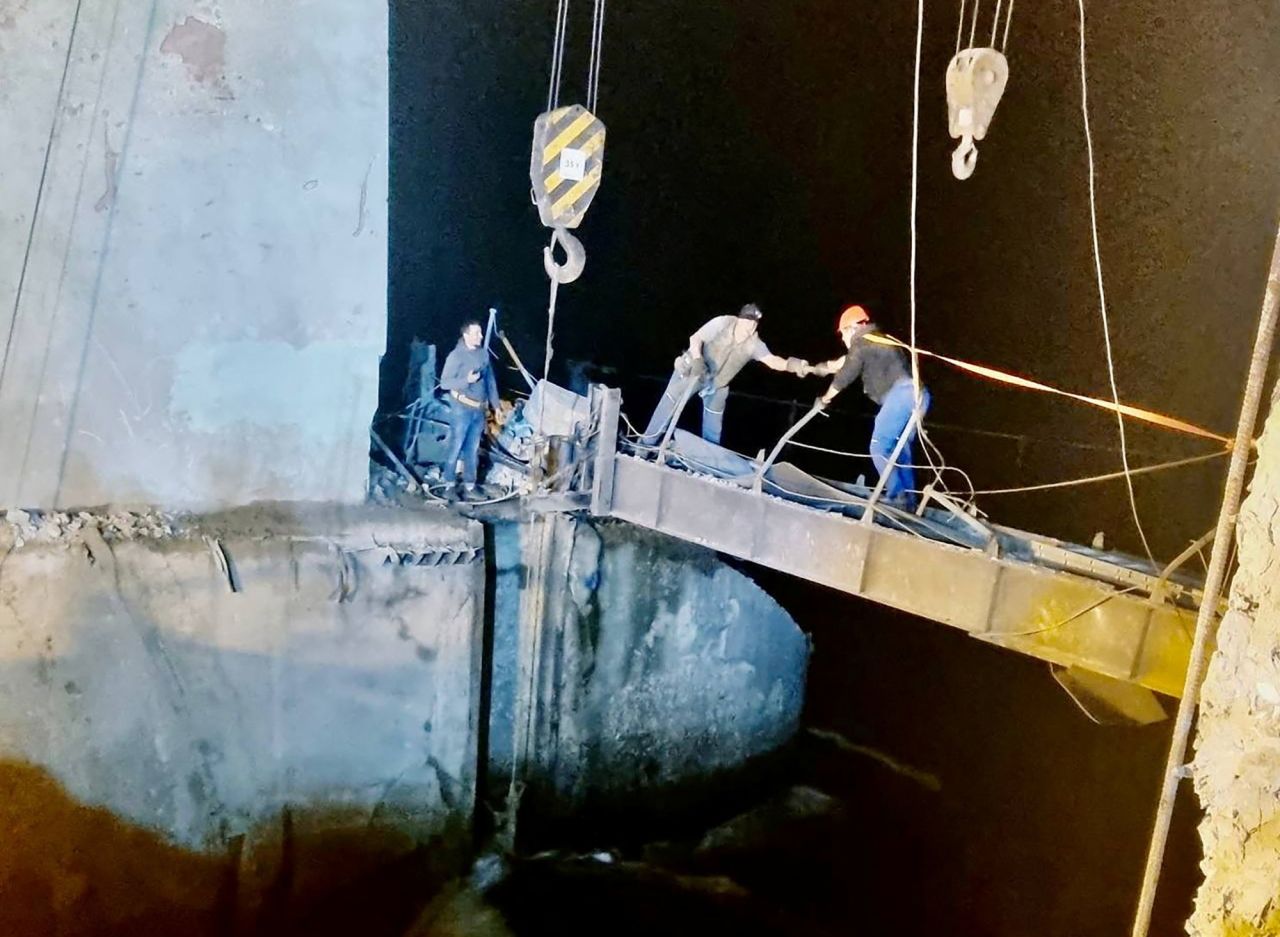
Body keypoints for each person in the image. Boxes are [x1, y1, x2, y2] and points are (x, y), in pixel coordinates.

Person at [642, 303, 810, 446]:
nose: (750, 328)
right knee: (670, 403)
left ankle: (706, 463)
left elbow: (773, 361)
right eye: (747, 322)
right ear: (740, 319)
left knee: (713, 426)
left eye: (754, 324)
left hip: (717, 384)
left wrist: (793, 365)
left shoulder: (754, 344)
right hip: (696, 371)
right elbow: (695, 338)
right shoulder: (723, 322)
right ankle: (646, 445)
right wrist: (698, 360)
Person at [813, 305, 931, 507]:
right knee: (899, 450)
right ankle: (908, 500)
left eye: (843, 334)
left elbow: (845, 375)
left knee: (879, 444)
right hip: (920, 396)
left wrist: (825, 399)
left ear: (852, 329)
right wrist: (822, 368)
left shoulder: (861, 344)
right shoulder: (878, 339)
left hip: (902, 395)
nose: (842, 339)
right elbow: (845, 362)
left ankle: (897, 496)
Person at [438, 319, 499, 499]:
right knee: (455, 447)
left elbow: (490, 381)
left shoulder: (483, 355)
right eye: (476, 333)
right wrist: (467, 381)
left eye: (481, 333)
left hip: (478, 411)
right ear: (466, 335)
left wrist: (496, 405)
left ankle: (470, 487)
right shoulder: (455, 356)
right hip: (461, 409)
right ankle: (449, 486)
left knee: (472, 450)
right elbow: (444, 383)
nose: (480, 336)